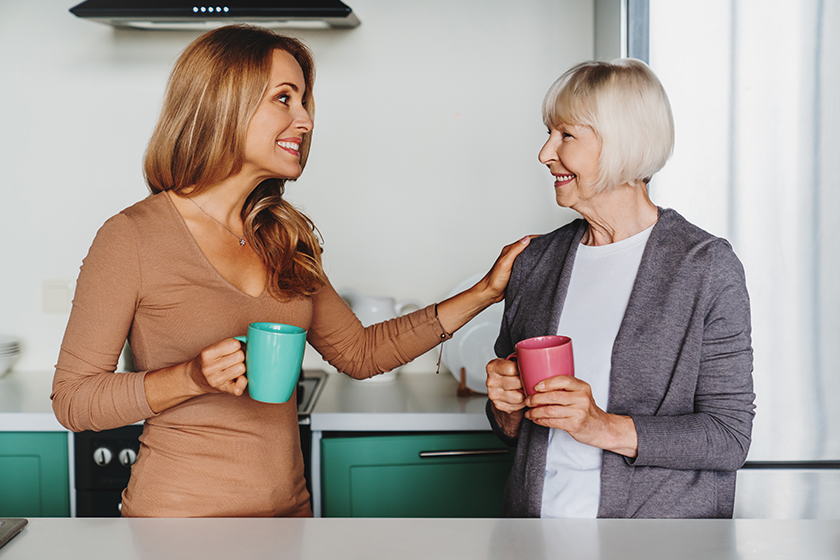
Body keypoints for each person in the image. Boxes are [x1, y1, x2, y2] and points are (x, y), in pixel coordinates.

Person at [51, 25, 530, 518]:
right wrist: (191, 377)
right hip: (176, 528)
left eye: (304, 102)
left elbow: (360, 353)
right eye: (285, 98)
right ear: (225, 102)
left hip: (290, 520)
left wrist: (486, 291)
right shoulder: (132, 236)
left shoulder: (282, 236)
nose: (305, 119)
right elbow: (73, 400)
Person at [485, 58, 755, 519]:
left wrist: (603, 427)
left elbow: (728, 437)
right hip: (533, 535)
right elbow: (513, 428)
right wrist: (507, 409)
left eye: (566, 135)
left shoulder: (705, 267)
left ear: (621, 145)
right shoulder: (536, 262)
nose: (545, 153)